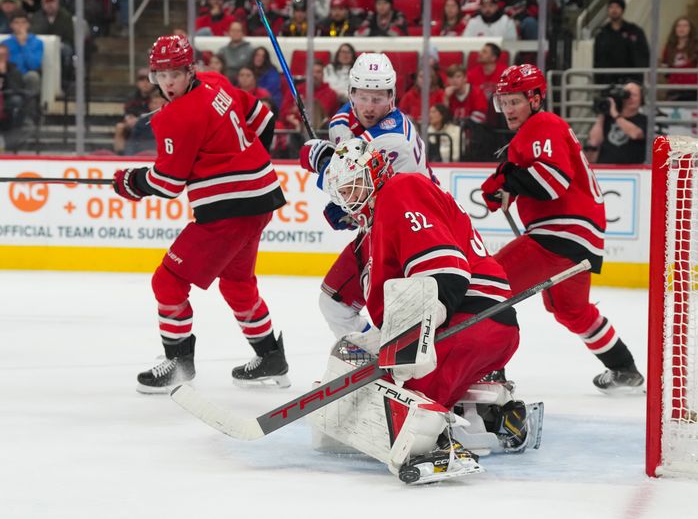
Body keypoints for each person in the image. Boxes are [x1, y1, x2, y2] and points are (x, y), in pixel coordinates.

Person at [310, 136, 538, 484]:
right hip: (479, 327)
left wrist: (409, 347)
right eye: (343, 192)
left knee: (390, 393)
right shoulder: (374, 229)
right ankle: (498, 416)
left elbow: (445, 274)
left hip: (470, 321)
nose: (349, 200)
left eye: (353, 187)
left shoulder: (401, 190)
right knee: (370, 377)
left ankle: (438, 448)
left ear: (374, 173)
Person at [111, 35, 288, 393]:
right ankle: (271, 357)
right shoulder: (217, 81)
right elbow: (263, 118)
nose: (169, 82)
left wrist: (130, 182)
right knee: (237, 284)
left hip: (230, 210)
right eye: (161, 75)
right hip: (262, 198)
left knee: (167, 281)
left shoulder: (175, 117)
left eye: (175, 73)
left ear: (190, 69)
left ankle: (178, 364)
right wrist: (248, 162)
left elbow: (167, 183)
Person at [480, 64, 645, 393]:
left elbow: (551, 183)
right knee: (572, 311)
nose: (509, 110)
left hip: (558, 235)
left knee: (487, 287)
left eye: (515, 101)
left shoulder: (542, 123)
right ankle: (624, 369)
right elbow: (531, 183)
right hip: (578, 240)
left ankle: (488, 372)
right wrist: (505, 185)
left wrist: (508, 179)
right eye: (504, 102)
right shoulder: (537, 130)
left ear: (536, 99)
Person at [299, 52, 431, 343]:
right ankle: (366, 357)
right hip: (381, 228)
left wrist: (321, 163)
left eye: (379, 98)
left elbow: (348, 178)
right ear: (351, 93)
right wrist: (349, 208)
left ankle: (406, 366)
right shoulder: (343, 119)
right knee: (334, 303)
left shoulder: (393, 138)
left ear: (392, 97)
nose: (370, 107)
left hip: (415, 232)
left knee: (396, 314)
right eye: (363, 97)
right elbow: (356, 183)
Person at [585, 80, 646, 164]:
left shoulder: (644, 120)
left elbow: (635, 134)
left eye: (634, 95)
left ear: (641, 99)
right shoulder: (608, 118)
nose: (630, 98)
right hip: (606, 168)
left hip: (632, 170)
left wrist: (615, 114)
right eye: (627, 94)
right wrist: (601, 115)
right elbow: (594, 141)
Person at [592, 0, 649, 85]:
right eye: (611, 7)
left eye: (617, 7)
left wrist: (640, 77)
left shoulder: (635, 31)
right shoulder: (601, 34)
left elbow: (644, 54)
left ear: (622, 10)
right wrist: (598, 79)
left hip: (631, 81)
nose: (614, 10)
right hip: (607, 82)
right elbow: (597, 58)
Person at [2, 11, 43, 126]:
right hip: (9, 78)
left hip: (25, 76)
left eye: (23, 23)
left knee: (33, 76)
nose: (20, 26)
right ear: (11, 25)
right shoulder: (5, 43)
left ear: (28, 25)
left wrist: (23, 45)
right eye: (16, 23)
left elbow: (34, 65)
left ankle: (28, 116)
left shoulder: (37, 42)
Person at [660, 16, 698, 102]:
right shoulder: (669, 47)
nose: (682, 28)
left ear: (690, 29)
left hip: (693, 89)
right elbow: (665, 66)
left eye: (685, 26)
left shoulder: (697, 47)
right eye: (679, 26)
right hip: (674, 88)